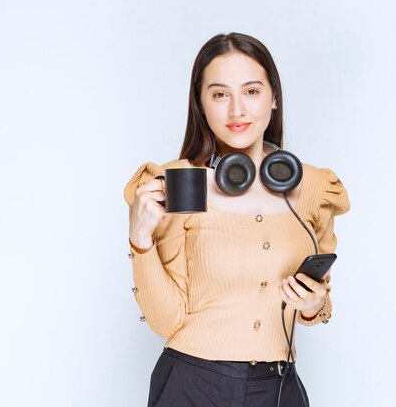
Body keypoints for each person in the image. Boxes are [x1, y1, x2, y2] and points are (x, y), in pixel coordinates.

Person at [123, 32, 350, 407]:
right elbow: (165, 321)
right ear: (200, 103)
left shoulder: (313, 186)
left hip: (279, 388)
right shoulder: (182, 182)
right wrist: (140, 240)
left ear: (273, 97)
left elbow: (320, 301)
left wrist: (314, 304)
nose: (236, 111)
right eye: (219, 94)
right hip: (193, 384)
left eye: (251, 91)